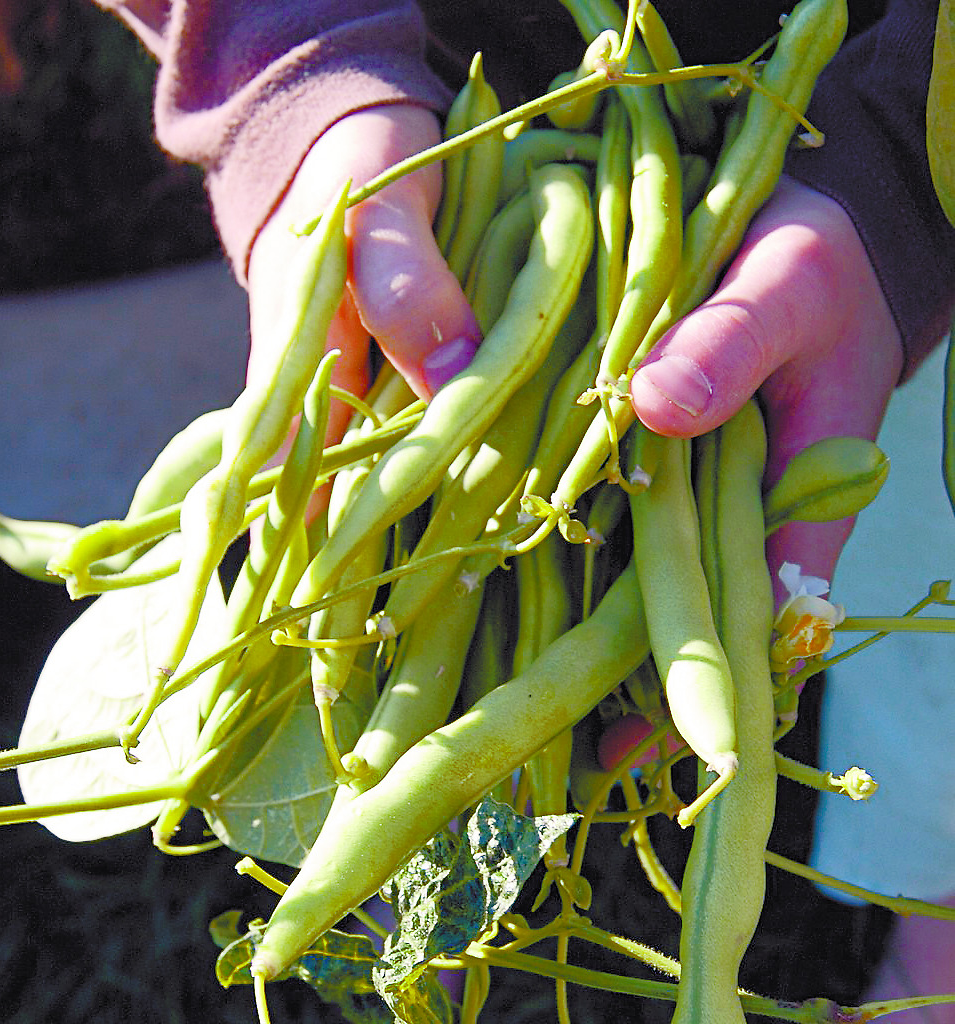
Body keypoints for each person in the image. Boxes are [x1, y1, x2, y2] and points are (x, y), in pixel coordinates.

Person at [96, 0, 955, 1017]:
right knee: (450, 652)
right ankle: (429, 916)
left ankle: (938, 938)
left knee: (923, 642)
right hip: (453, 153)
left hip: (880, 175)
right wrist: (304, 76)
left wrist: (904, 165)